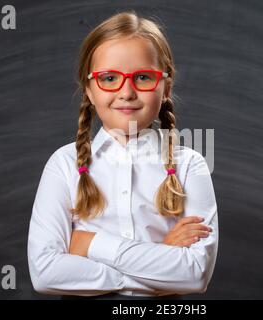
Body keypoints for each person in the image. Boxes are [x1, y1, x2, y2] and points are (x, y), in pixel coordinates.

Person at [27, 11, 218, 299]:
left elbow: (195, 275)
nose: (126, 92)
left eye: (143, 77)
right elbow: (44, 273)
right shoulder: (64, 164)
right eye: (109, 78)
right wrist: (162, 256)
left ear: (166, 86)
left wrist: (88, 245)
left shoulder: (189, 165)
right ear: (89, 89)